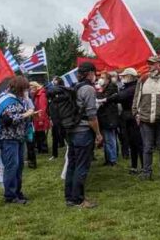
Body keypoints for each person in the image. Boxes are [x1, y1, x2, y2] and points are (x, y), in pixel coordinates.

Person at [65, 62, 104, 208]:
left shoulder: (74, 87)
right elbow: (92, 116)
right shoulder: (88, 89)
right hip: (83, 131)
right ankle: (78, 200)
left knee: (72, 165)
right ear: (90, 73)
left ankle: (69, 197)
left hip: (71, 131)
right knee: (82, 166)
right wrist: (98, 134)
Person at [133, 56, 160, 180]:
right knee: (147, 147)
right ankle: (146, 172)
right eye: (148, 63)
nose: (149, 65)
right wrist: (135, 113)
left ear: (158, 64)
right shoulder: (143, 79)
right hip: (145, 119)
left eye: (152, 63)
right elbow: (136, 97)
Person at [0, 77, 38, 203]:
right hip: (9, 138)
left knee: (19, 166)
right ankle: (10, 196)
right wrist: (25, 115)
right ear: (19, 88)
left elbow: (28, 108)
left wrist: (28, 105)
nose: (26, 91)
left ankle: (17, 192)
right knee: (12, 167)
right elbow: (6, 120)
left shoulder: (18, 99)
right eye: (25, 88)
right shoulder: (7, 99)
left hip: (19, 137)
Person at [105, 68, 143, 175]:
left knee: (138, 143)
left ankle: (144, 166)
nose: (122, 78)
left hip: (134, 117)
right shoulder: (128, 87)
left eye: (124, 76)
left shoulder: (134, 87)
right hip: (127, 117)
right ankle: (134, 166)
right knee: (132, 143)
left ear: (130, 76)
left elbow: (121, 96)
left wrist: (106, 100)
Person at [97, 71, 120, 166]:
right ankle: (108, 159)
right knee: (106, 139)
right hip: (104, 116)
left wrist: (98, 92)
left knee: (110, 138)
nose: (101, 79)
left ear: (108, 79)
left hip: (109, 116)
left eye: (103, 77)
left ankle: (113, 159)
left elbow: (104, 98)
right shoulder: (105, 87)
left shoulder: (111, 87)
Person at [46, 78, 66, 161]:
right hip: (54, 117)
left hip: (63, 118)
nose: (53, 82)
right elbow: (49, 106)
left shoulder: (64, 93)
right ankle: (54, 154)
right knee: (54, 136)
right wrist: (50, 117)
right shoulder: (51, 94)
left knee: (65, 135)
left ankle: (71, 152)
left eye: (55, 81)